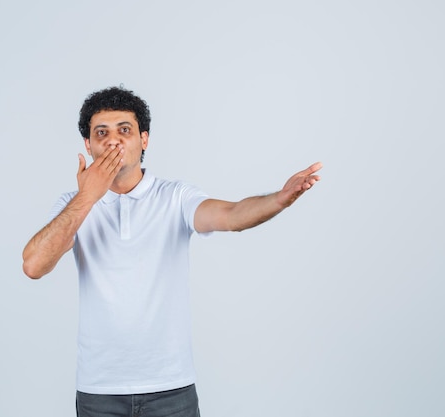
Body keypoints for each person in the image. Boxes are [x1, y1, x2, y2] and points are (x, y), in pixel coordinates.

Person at [22, 86, 322, 417]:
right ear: (88, 145)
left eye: (125, 130)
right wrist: (88, 196)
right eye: (101, 133)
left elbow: (231, 216)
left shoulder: (175, 197)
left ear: (144, 139)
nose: (113, 141)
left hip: (170, 390)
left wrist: (278, 199)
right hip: (99, 392)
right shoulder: (72, 206)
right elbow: (35, 264)